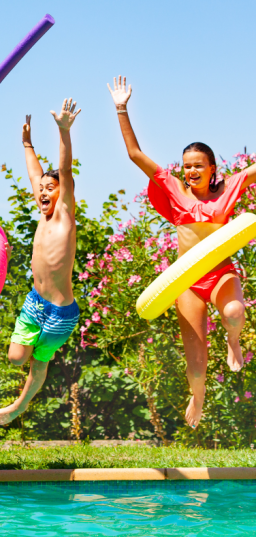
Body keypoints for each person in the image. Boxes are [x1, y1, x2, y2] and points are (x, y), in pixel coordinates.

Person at [108, 75, 256, 428]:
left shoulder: (229, 187)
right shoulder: (173, 189)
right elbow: (134, 154)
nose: (191, 171)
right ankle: (198, 398)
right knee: (195, 358)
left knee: (234, 313)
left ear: (212, 169)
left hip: (220, 273)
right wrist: (121, 108)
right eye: (187, 165)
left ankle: (233, 341)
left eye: (198, 165)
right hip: (187, 280)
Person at [0, 99, 81, 426]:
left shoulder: (64, 217)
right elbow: (33, 173)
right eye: (40, 189)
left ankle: (19, 406)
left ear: (63, 194)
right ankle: (20, 400)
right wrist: (27, 144)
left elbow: (65, 171)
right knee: (16, 359)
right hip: (35, 302)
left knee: (38, 366)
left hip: (60, 313)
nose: (41, 191)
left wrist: (63, 131)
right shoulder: (43, 213)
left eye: (49, 188)